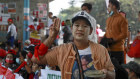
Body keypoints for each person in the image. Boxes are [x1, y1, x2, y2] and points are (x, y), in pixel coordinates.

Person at [32, 11, 115, 79]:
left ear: (90, 30)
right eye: (77, 25)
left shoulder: (100, 50)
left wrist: (106, 73)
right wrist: (51, 38)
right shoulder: (62, 50)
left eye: (85, 26)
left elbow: (113, 75)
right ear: (72, 28)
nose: (80, 29)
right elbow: (36, 59)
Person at [100, 0, 128, 65]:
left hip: (118, 50)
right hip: (108, 50)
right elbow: (107, 32)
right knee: (109, 70)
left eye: (109, 6)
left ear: (114, 6)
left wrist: (113, 40)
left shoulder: (122, 19)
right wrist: (103, 39)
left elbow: (124, 34)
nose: (108, 8)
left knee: (119, 71)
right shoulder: (108, 19)